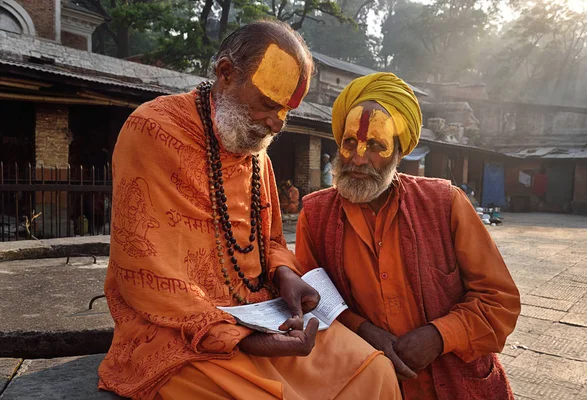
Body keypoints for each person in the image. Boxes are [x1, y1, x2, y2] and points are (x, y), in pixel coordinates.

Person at [98, 22, 400, 400]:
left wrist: (286, 273)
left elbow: (269, 240)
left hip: (264, 314)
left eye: (286, 111)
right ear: (226, 73)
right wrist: (245, 339)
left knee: (374, 371)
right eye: (269, 105)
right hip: (179, 332)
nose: (277, 123)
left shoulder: (257, 154)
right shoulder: (151, 131)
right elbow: (142, 271)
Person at [295, 72, 521, 399]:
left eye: (375, 145)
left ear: (400, 153)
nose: (358, 158)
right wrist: (363, 329)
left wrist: (439, 336)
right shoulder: (315, 216)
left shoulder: (445, 203)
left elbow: (500, 302)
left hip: (457, 384)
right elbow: (310, 297)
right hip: (368, 383)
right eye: (349, 143)